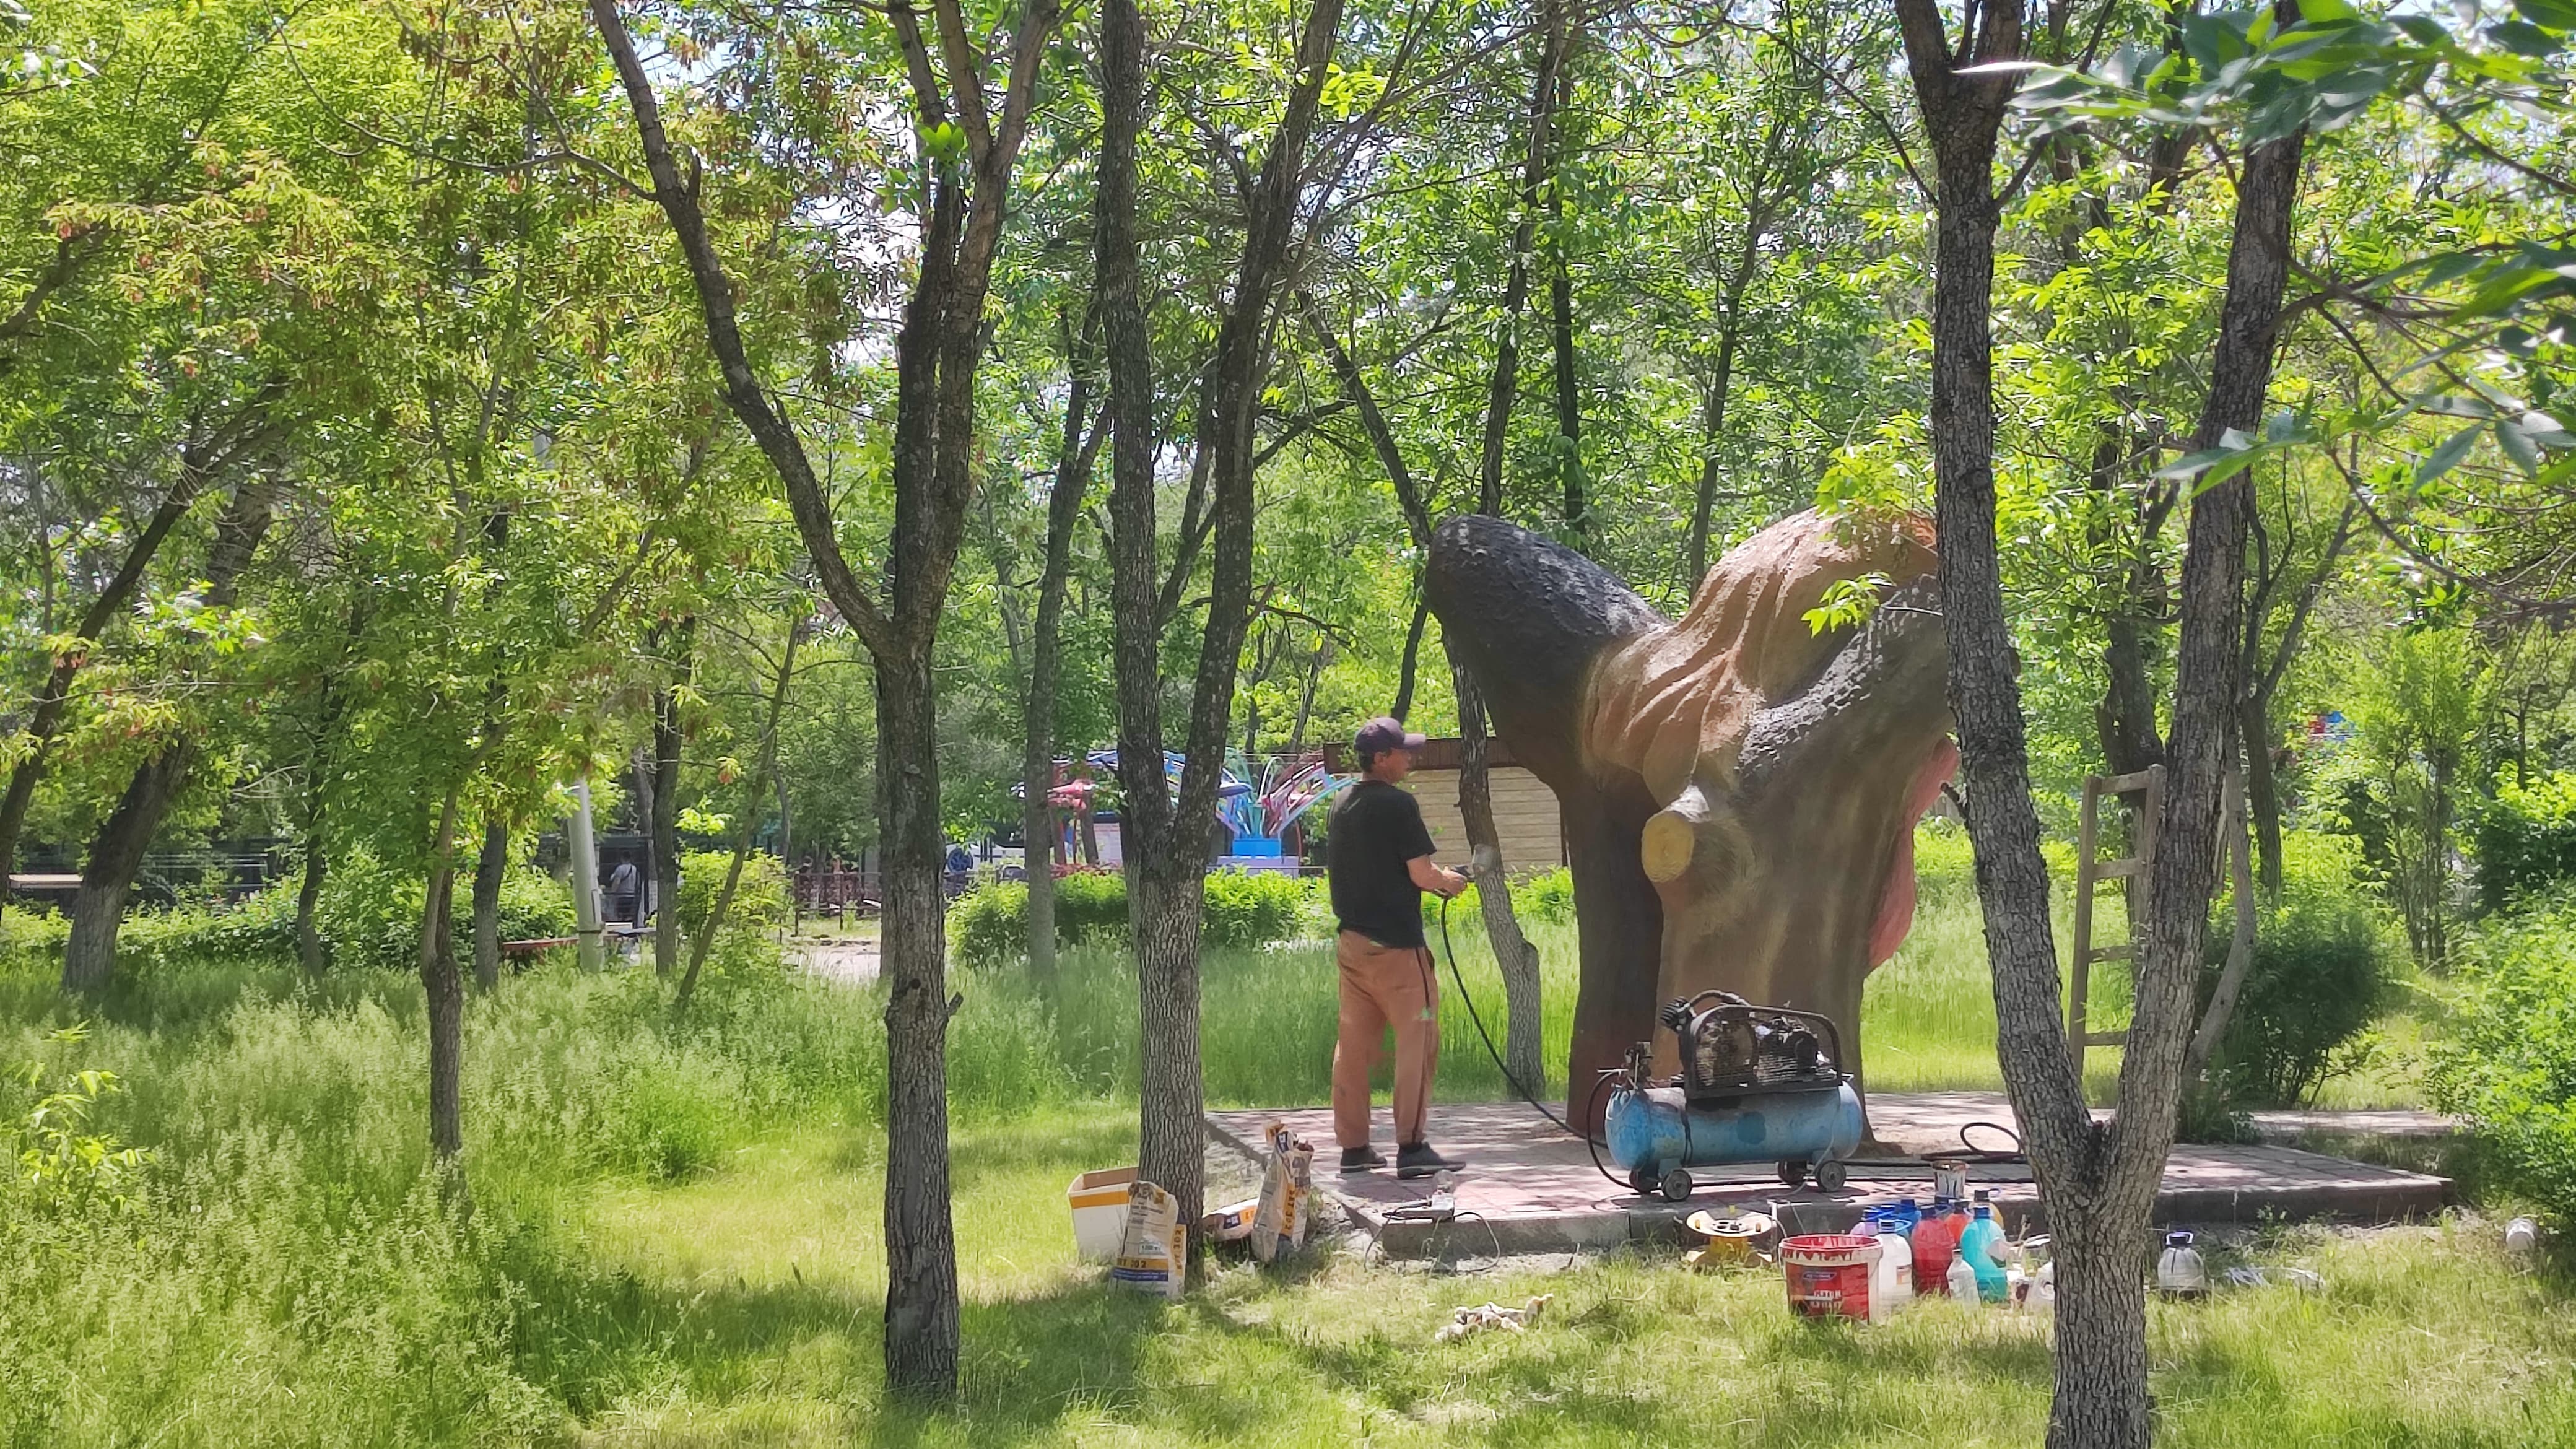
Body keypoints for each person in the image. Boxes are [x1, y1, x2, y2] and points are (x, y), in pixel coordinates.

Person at [1325, 717, 1470, 1177]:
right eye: (1403, 752)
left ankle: (1354, 1148)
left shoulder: (1341, 802)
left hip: (1353, 947)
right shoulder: (1398, 805)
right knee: (1418, 1039)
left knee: (1354, 1046)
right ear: (1381, 759)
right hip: (1397, 952)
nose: (1411, 757)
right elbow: (1422, 875)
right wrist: (1451, 882)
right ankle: (1411, 1146)